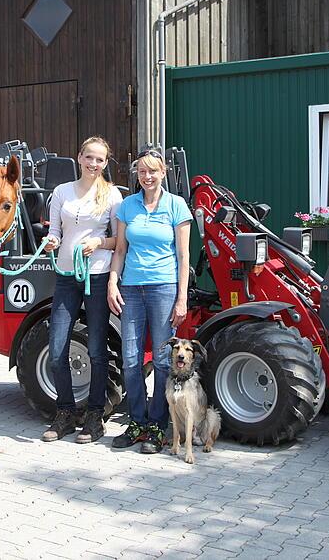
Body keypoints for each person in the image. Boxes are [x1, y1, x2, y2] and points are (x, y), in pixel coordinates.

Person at [107, 148, 192, 454]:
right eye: (142, 172)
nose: (147, 176)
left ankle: (157, 426)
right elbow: (119, 250)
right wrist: (112, 282)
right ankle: (137, 423)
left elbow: (183, 256)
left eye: (152, 171)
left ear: (163, 173)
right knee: (130, 359)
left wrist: (182, 298)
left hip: (163, 289)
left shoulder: (176, 206)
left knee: (160, 360)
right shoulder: (128, 206)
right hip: (131, 288)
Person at [40, 137, 123, 444]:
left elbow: (119, 241)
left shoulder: (112, 195)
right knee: (57, 349)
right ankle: (64, 413)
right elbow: (55, 232)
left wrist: (98, 242)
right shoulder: (62, 192)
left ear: (105, 163)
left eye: (99, 160)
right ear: (79, 157)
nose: (93, 164)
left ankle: (94, 416)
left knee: (98, 350)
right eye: (89, 157)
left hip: (98, 275)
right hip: (65, 276)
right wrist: (51, 242)